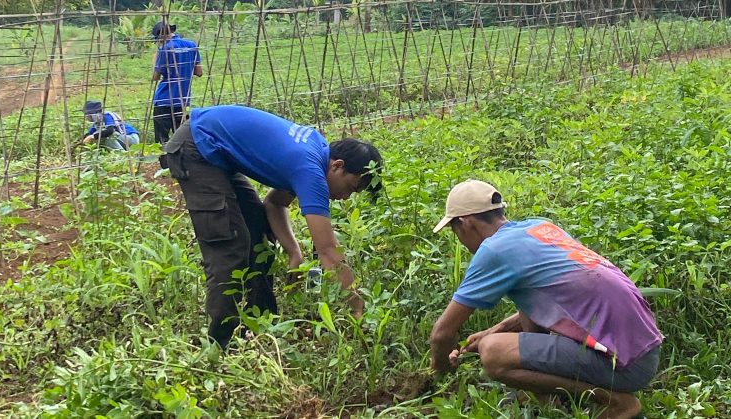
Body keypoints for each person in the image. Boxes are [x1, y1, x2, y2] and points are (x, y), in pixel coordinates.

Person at [428, 179, 662, 419]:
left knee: (493, 353)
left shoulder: (494, 250)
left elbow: (442, 334)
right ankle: (548, 398)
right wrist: (494, 329)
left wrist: (440, 372)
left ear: (465, 224)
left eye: (454, 230)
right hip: (645, 351)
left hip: (624, 366)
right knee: (507, 324)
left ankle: (617, 402)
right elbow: (542, 299)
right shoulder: (539, 228)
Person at [162, 104, 383, 348]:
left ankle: (260, 326)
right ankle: (218, 347)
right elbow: (329, 252)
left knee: (259, 235)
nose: (346, 197)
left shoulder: (315, 153)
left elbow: (275, 203)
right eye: (351, 188)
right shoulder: (310, 169)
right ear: (338, 166)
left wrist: (294, 251)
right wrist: (358, 308)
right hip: (198, 147)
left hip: (217, 151)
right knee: (231, 248)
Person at [151, 21, 202, 144]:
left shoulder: (166, 49)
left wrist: (156, 58)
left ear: (160, 35)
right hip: (182, 99)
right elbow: (199, 72)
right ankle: (182, 162)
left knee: (162, 139)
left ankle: (165, 163)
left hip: (164, 100)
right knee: (183, 138)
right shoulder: (191, 45)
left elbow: (155, 76)